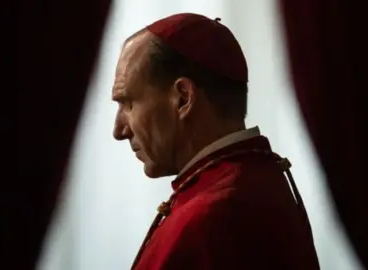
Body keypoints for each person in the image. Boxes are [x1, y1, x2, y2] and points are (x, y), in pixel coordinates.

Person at [112, 13, 320, 270]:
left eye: (128, 103)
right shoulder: (257, 179)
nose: (119, 131)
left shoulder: (212, 218)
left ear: (182, 98)